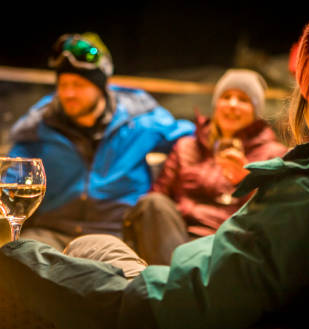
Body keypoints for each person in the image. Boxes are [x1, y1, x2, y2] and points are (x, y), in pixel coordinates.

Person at [0, 0, 309, 329]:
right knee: (105, 242)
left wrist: (19, 258)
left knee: (87, 250)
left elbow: (144, 324)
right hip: (226, 289)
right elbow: (163, 193)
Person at [0, 32, 194, 250]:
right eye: (63, 85)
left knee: (110, 274)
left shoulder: (139, 120)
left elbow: (191, 141)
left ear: (102, 87)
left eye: (79, 85)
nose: (69, 93)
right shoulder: (38, 127)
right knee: (14, 263)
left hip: (115, 236)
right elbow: (10, 180)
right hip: (51, 234)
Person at [123, 69, 288, 264]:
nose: (232, 105)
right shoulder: (186, 147)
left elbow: (276, 217)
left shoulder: (274, 154)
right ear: (216, 103)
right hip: (178, 240)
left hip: (230, 245)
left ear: (256, 110)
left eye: (243, 100)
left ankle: (178, 281)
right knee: (152, 204)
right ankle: (181, 277)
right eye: (226, 97)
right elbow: (156, 199)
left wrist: (246, 183)